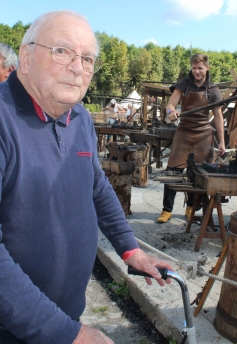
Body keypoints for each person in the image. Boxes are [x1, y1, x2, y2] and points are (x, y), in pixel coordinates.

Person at [0, 10, 173, 344]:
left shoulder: (78, 118)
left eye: (88, 58)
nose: (78, 68)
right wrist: (66, 334)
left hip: (65, 314)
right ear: (25, 56)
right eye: (62, 51)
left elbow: (96, 185)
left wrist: (130, 249)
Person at [157, 53, 225, 223]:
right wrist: (172, 113)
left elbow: (218, 117)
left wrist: (222, 142)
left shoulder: (213, 90)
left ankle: (191, 209)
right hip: (184, 132)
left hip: (203, 134)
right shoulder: (183, 85)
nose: (196, 71)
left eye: (200, 68)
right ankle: (167, 210)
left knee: (199, 174)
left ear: (207, 68)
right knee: (173, 170)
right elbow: (171, 104)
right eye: (194, 68)